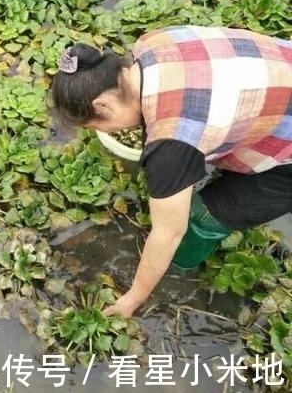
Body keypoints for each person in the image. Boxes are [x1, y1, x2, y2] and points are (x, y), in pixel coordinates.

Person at [51, 25, 292, 318]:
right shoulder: (151, 45)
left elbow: (168, 233)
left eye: (95, 126)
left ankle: (183, 267)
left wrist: (132, 299)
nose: (103, 131)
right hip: (278, 76)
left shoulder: (172, 143)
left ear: (103, 104)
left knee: (203, 217)